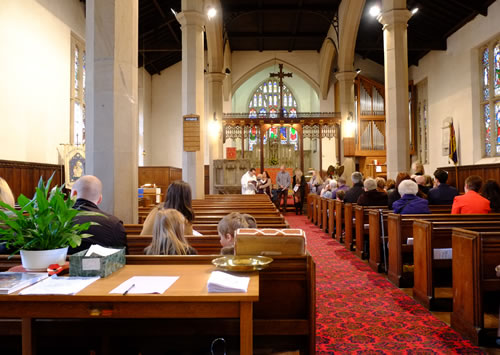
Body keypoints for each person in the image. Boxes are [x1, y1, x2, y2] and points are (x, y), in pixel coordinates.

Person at [69, 175, 127, 254]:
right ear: (100, 199)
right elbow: (122, 258)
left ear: (73, 194)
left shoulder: (55, 221)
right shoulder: (114, 224)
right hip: (102, 266)